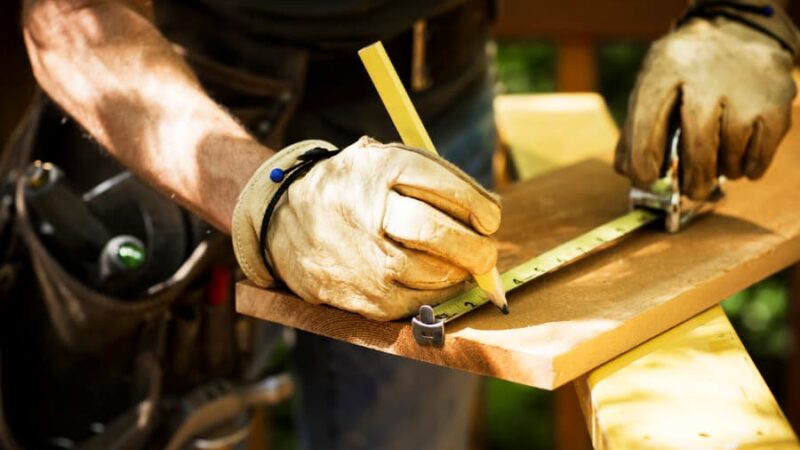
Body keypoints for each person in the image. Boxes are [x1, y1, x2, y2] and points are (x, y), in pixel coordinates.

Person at [0, 0, 796, 449]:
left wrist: (745, 12)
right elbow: (73, 20)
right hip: (176, 126)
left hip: (439, 102)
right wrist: (269, 195)